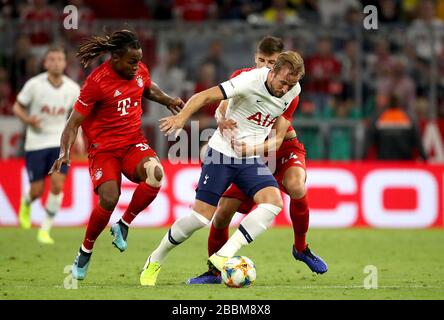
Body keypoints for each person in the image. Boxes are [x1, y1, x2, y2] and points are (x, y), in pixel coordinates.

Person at [140, 50, 305, 286]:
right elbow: (203, 96)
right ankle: (155, 258)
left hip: (249, 158)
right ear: (273, 72)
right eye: (283, 82)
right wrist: (182, 118)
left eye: (292, 84)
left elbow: (278, 139)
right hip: (221, 153)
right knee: (199, 218)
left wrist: (253, 149)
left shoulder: (293, 91)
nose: (286, 89)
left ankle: (224, 254)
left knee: (273, 202)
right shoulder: (249, 80)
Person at [187, 36, 328, 285]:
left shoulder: (289, 88)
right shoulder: (244, 77)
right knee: (222, 214)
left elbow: (278, 137)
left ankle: (301, 247)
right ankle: (214, 272)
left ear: (281, 65)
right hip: (249, 154)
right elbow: (222, 105)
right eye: (262, 60)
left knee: (296, 186)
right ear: (256, 58)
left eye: (271, 62)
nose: (265, 66)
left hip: (277, 148)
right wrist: (221, 121)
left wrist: (250, 147)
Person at [49, 30, 184, 280]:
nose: (137, 66)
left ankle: (123, 224)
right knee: (110, 198)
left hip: (133, 143)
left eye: (138, 60)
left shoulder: (138, 69)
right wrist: (65, 152)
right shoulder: (96, 82)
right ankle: (85, 251)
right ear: (115, 58)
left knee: (156, 173)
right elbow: (72, 123)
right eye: (132, 61)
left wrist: (167, 100)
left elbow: (147, 87)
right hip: (105, 150)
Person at [14, 46, 81, 245]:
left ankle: (45, 229)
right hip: (36, 143)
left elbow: (76, 118)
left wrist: (79, 139)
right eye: (52, 59)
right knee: (37, 190)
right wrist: (28, 120)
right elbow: (17, 107)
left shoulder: (72, 88)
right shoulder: (34, 85)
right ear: (45, 63)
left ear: (64, 63)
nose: (56, 62)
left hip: (60, 143)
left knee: (58, 185)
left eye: (60, 59)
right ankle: (26, 202)